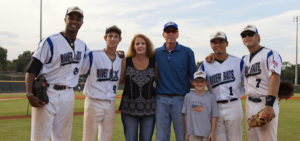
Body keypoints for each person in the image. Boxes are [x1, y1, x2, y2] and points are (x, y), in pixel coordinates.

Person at [25, 6, 88, 141]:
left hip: (68, 94)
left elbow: (93, 64)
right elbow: (31, 70)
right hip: (47, 93)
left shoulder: (83, 46)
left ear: (82, 23)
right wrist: (29, 94)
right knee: (40, 137)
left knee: (63, 137)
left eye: (78, 19)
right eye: (71, 17)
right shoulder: (50, 41)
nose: (74, 21)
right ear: (65, 19)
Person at [155, 21, 197, 141]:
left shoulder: (187, 52)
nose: (171, 33)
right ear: (163, 34)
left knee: (182, 136)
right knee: (161, 137)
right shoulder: (156, 53)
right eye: (168, 31)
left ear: (177, 34)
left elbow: (193, 76)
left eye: (174, 31)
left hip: (181, 99)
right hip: (161, 100)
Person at [80, 25, 123, 141]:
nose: (113, 39)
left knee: (106, 138)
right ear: (105, 38)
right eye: (110, 36)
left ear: (120, 39)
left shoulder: (121, 59)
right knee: (88, 137)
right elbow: (77, 70)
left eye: (116, 36)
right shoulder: (93, 55)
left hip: (110, 103)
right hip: (93, 101)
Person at [200, 31, 244, 141]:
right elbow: (198, 83)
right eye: (214, 42)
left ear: (227, 43)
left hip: (234, 104)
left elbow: (249, 81)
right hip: (215, 107)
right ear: (211, 45)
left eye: (221, 41)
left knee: (235, 139)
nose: (217, 44)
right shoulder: (205, 65)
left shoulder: (238, 62)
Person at [240, 25, 282, 141]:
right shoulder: (244, 59)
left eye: (250, 34)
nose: (246, 37)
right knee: (252, 138)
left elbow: (275, 77)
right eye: (244, 35)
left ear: (257, 37)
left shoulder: (270, 53)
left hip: (265, 102)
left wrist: (269, 105)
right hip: (250, 103)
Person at [119, 34, 156, 141]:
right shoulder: (126, 62)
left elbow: (159, 81)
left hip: (150, 109)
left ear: (147, 46)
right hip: (128, 109)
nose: (140, 46)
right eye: (137, 43)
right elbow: (120, 81)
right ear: (133, 46)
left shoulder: (154, 62)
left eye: (143, 43)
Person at [182, 70, 219, 141]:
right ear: (192, 82)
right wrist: (187, 133)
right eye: (197, 81)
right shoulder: (188, 96)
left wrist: (212, 133)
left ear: (206, 83)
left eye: (202, 81)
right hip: (193, 133)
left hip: (207, 134)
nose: (199, 83)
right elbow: (186, 115)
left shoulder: (211, 97)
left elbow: (214, 116)